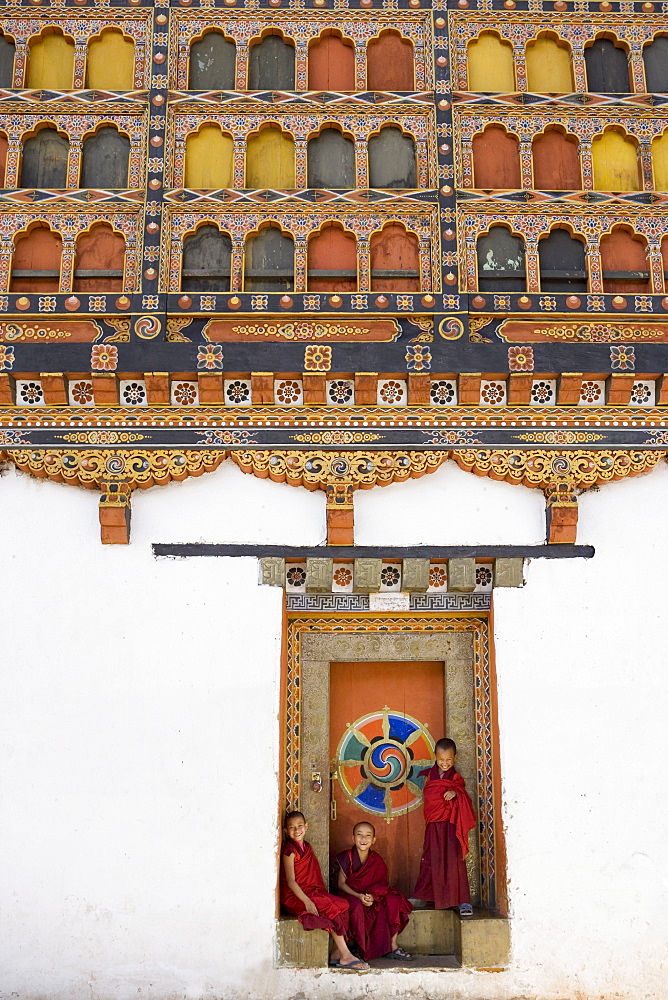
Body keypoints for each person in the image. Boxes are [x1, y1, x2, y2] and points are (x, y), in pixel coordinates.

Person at [280, 811, 369, 970]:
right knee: (333, 907)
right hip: (296, 897)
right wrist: (306, 901)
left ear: (306, 827)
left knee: (343, 903)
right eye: (292, 828)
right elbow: (291, 881)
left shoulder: (306, 847)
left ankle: (337, 952)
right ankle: (346, 956)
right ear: (286, 831)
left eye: (300, 826)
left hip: (310, 892)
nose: (297, 830)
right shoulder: (289, 851)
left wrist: (313, 896)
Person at [411, 737, 476, 916]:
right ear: (435, 757)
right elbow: (429, 795)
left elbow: (462, 794)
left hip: (451, 824)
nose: (445, 763)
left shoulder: (455, 777)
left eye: (448, 760)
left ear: (455, 758)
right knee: (431, 858)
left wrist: (455, 792)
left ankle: (463, 900)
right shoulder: (430, 775)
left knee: (455, 860)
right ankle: (424, 895)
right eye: (441, 760)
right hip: (433, 823)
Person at [336, 821, 413, 962]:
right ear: (353, 838)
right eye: (359, 835)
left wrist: (372, 896)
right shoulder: (347, 857)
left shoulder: (376, 859)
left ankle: (392, 945)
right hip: (352, 894)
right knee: (355, 906)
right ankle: (360, 948)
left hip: (370, 895)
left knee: (394, 899)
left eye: (368, 836)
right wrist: (359, 896)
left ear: (373, 840)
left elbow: (382, 884)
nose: (363, 839)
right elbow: (341, 884)